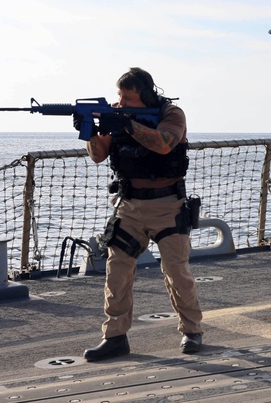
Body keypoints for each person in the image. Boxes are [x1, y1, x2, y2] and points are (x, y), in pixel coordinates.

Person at [82, 67, 204, 361]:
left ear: (146, 95)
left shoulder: (172, 114)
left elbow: (164, 144)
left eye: (127, 98)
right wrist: (90, 131)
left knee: (177, 272)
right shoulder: (117, 116)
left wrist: (127, 126)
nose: (121, 103)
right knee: (117, 272)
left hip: (168, 205)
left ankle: (192, 330)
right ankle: (114, 337)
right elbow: (98, 155)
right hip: (130, 205)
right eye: (119, 96)